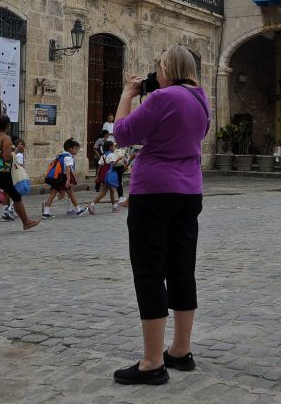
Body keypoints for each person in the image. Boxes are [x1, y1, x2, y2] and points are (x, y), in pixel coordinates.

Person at [111, 45, 209, 385]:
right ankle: (181, 350)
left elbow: (122, 133)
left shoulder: (161, 98)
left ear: (166, 69)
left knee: (150, 271)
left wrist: (127, 93)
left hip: (154, 191)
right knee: (182, 269)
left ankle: (152, 361)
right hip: (189, 191)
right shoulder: (201, 99)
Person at [42, 140, 87, 218]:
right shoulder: (68, 157)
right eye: (76, 148)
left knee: (52, 194)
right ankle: (78, 210)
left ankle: (46, 213)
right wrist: (68, 180)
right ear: (71, 149)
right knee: (71, 194)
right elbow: (67, 169)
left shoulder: (60, 155)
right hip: (63, 177)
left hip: (56, 177)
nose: (77, 150)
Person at [89, 140, 121, 214]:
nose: (114, 148)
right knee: (104, 192)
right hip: (109, 174)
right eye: (113, 146)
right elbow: (113, 165)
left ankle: (114, 207)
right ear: (110, 147)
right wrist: (119, 159)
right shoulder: (112, 155)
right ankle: (92, 205)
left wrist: (97, 176)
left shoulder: (103, 155)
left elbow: (100, 166)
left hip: (104, 174)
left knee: (111, 191)